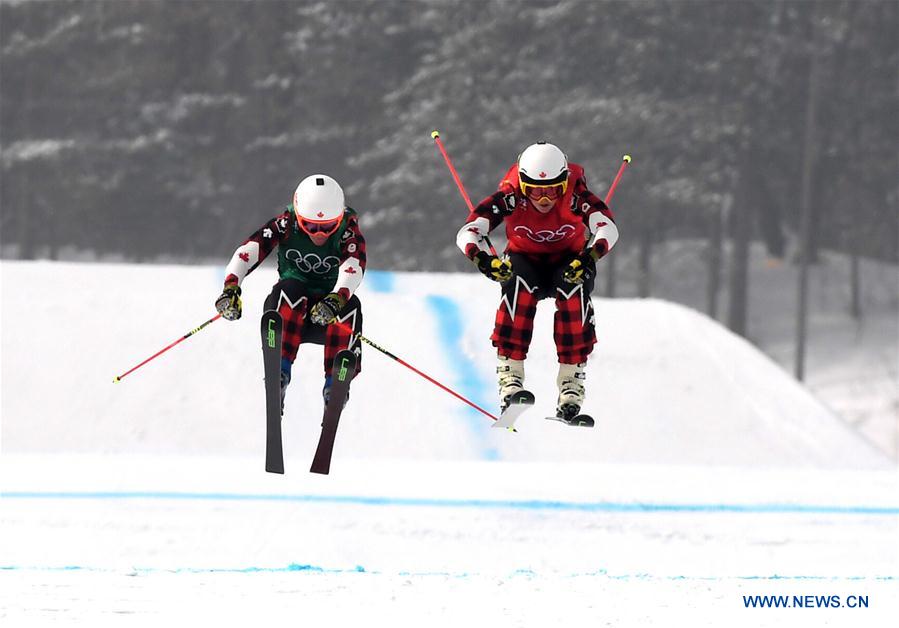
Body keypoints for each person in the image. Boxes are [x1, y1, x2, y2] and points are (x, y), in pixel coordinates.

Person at [455, 141, 619, 421]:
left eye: (553, 190)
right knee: (517, 287)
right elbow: (468, 232)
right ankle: (511, 377)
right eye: (535, 191)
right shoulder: (511, 196)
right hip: (525, 259)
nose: (544, 199)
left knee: (574, 291)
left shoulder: (575, 194)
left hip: (568, 259)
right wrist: (483, 260)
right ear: (522, 184)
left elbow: (607, 227)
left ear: (564, 183)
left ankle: (571, 381)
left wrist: (591, 256)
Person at [215, 174, 365, 413]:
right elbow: (249, 252)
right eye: (310, 226)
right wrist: (231, 288)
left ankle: (336, 383)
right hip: (289, 313)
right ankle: (280, 372)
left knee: (352, 306)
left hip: (327, 315)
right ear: (298, 216)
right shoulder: (286, 224)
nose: (319, 233)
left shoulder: (348, 231)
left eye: (328, 227)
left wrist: (337, 299)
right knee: (291, 288)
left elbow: (353, 266)